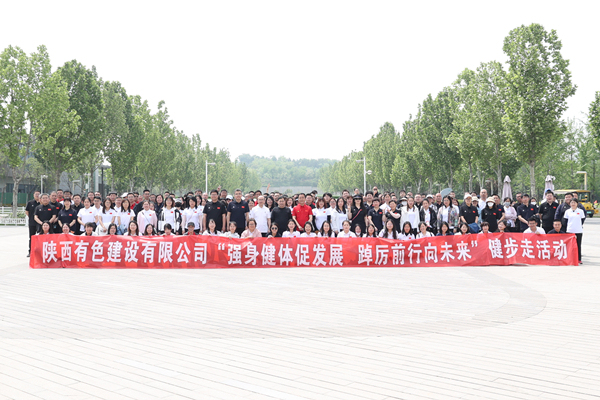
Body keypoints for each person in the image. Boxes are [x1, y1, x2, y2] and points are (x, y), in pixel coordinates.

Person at [564, 199, 585, 264]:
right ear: (570, 204)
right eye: (572, 202)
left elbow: (582, 220)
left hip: (578, 230)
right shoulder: (567, 211)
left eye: (574, 202)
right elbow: (565, 221)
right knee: (570, 245)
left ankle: (579, 259)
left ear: (577, 203)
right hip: (570, 230)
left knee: (578, 245)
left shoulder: (580, 211)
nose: (573, 204)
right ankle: (570, 258)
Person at [25, 191, 41, 256]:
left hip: (40, 223)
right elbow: (27, 212)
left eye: (38, 194)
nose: (37, 195)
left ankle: (39, 251)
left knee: (40, 237)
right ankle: (30, 251)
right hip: (32, 223)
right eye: (36, 194)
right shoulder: (30, 203)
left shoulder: (41, 203)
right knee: (31, 237)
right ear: (33, 195)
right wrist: (31, 217)